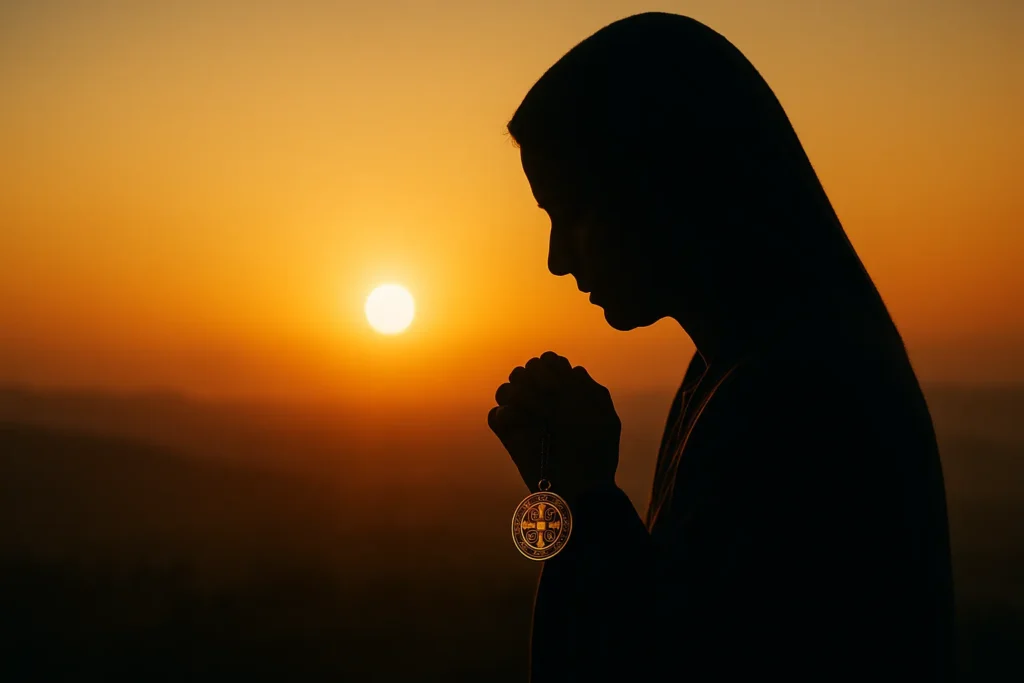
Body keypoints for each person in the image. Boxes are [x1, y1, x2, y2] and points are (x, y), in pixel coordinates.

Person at [486, 12, 955, 682]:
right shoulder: (735, 372)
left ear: (661, 182)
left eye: (573, 211)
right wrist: (564, 493)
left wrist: (581, 497)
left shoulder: (796, 405)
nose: (558, 259)